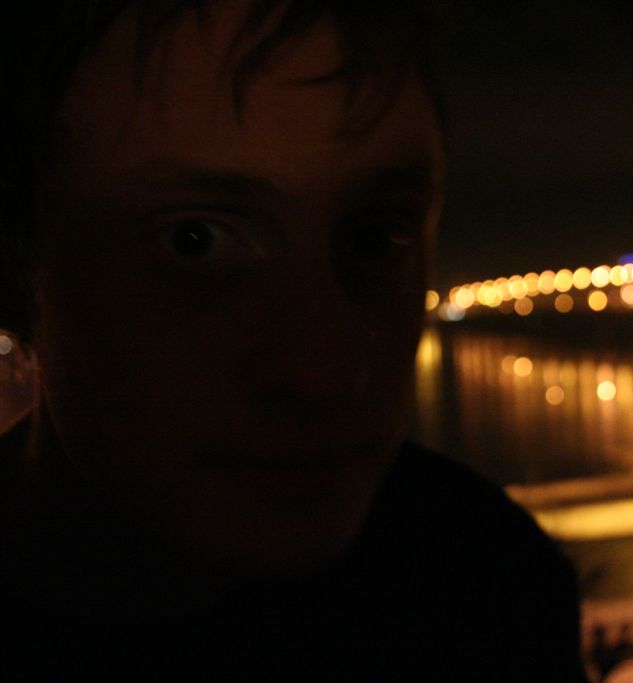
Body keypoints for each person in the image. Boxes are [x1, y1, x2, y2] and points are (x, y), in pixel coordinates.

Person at [0, 1, 588, 680]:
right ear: (15, 268)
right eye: (194, 241)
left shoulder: (486, 581)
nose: (324, 370)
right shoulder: (475, 579)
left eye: (372, 239)